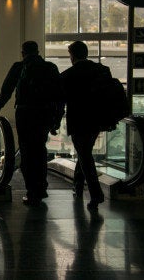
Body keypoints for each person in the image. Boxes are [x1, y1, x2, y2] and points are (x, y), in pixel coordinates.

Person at [0, 41, 63, 205]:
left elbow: (7, 88)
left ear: (23, 53)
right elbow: (59, 95)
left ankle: (32, 191)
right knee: (40, 150)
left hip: (25, 114)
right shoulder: (50, 67)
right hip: (44, 115)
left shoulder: (19, 67)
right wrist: (57, 119)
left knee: (27, 152)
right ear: (38, 51)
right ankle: (41, 187)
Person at [61, 41, 107, 209]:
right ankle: (78, 186)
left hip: (78, 121)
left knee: (85, 155)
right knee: (84, 151)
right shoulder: (101, 70)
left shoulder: (68, 75)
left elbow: (60, 101)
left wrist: (53, 122)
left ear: (73, 55)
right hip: (97, 120)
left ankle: (96, 194)